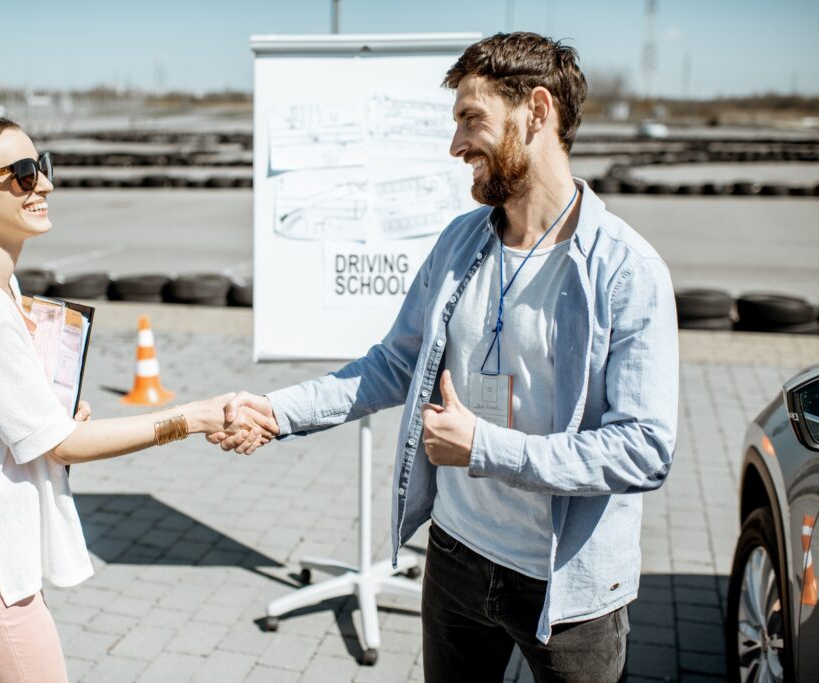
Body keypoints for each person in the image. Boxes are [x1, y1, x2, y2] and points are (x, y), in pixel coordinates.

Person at [211, 33, 679, 682]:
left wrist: (484, 447)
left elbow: (645, 447)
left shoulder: (626, 271)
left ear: (537, 112)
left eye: (471, 120)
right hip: (456, 558)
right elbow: (393, 365)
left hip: (566, 589)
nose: (455, 145)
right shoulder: (460, 243)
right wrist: (277, 411)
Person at [0, 115, 276, 683]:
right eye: (22, 174)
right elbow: (63, 446)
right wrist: (197, 416)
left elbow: (23, 425)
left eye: (44, 166)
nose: (45, 184)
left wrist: (47, 415)